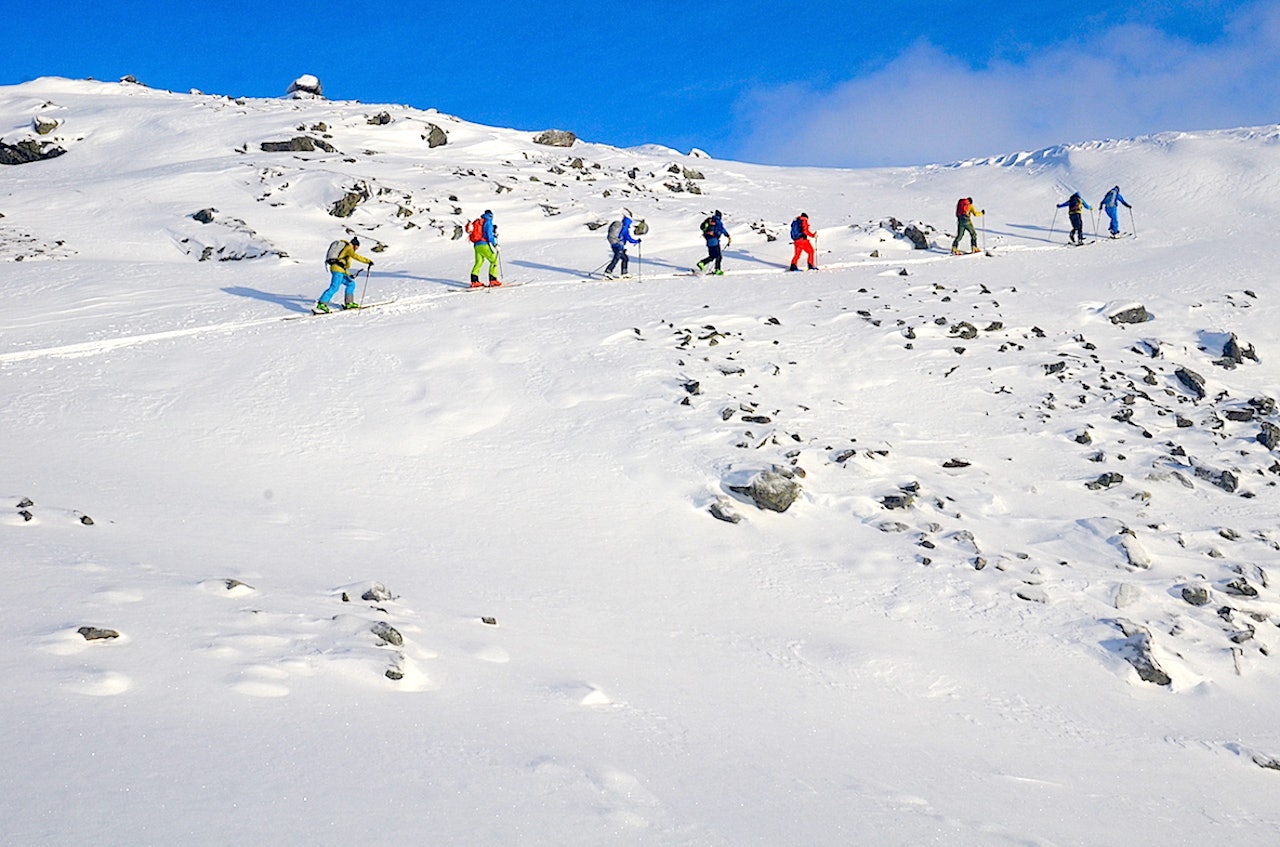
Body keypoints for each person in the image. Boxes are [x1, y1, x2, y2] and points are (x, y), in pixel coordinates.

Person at [315, 236, 373, 312]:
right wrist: (368, 261)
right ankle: (322, 304)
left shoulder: (347, 249)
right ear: (355, 245)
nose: (357, 249)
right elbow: (356, 257)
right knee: (334, 287)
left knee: (351, 283)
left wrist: (349, 275)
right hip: (337, 270)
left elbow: (343, 266)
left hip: (340, 270)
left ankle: (349, 303)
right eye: (357, 246)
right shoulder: (349, 247)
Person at [468, 209, 501, 287]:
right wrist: (495, 244)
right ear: (491, 215)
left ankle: (474, 281)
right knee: (494, 260)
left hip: (476, 245)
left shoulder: (481, 222)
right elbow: (489, 235)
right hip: (484, 244)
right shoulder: (488, 222)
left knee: (479, 262)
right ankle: (493, 280)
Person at [604, 210, 641, 278]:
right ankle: (608, 271)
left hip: (614, 244)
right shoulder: (625, 228)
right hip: (619, 245)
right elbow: (629, 238)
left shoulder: (620, 226)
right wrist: (636, 241)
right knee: (616, 259)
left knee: (625, 258)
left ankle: (624, 273)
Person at [696, 210, 731, 275]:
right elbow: (722, 230)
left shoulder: (710, 221)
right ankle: (715, 269)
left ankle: (703, 263)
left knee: (712, 256)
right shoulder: (718, 222)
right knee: (718, 256)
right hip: (715, 241)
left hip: (708, 241)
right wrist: (728, 236)